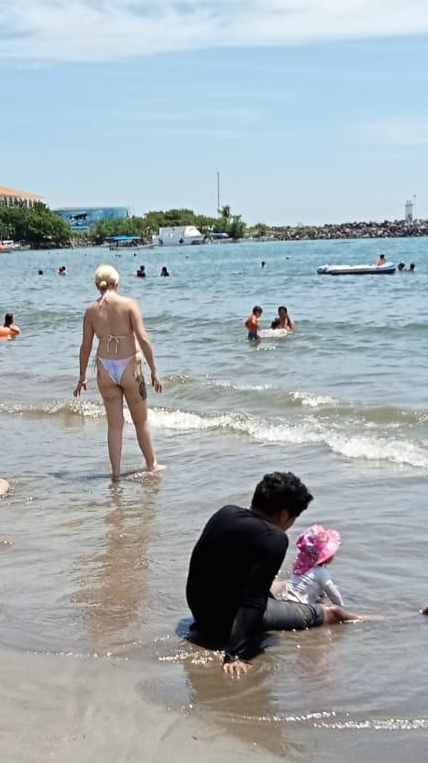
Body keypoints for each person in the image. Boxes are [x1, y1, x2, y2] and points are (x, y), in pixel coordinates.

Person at [186, 472, 347, 675]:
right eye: (294, 517)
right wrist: (236, 654)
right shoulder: (275, 538)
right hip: (224, 623)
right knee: (330, 613)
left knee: (273, 587)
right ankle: (368, 617)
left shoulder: (226, 513)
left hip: (200, 612)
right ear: (284, 515)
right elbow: (254, 600)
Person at [74, 264, 163, 479]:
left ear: (98, 285)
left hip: (105, 369)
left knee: (114, 425)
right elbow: (143, 338)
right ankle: (152, 465)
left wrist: (82, 376)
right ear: (117, 282)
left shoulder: (91, 310)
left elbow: (85, 347)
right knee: (141, 421)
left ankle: (115, 473)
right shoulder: (129, 304)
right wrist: (154, 370)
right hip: (130, 367)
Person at [276, 524, 356, 621]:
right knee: (332, 610)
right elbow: (333, 593)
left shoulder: (300, 567)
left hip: (284, 603)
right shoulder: (320, 572)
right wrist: (341, 608)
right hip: (299, 608)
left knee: (320, 599)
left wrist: (322, 596)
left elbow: (311, 585)